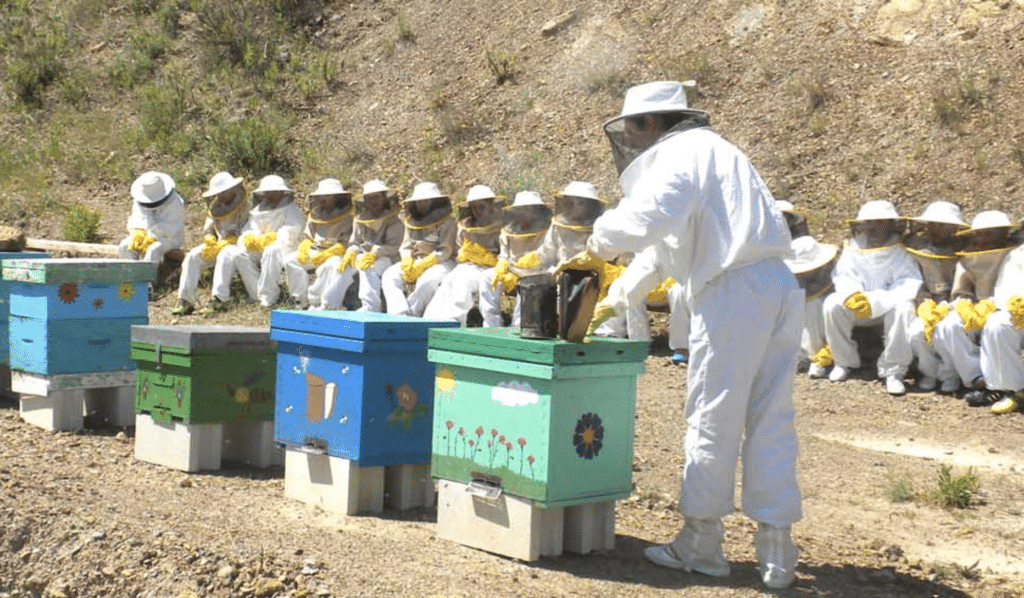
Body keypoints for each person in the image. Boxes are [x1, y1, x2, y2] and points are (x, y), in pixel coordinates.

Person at [577, 80, 803, 590]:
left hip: (732, 292)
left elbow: (645, 221)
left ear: (653, 123)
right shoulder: (719, 153)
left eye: (634, 129)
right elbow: (665, 248)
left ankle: (701, 545)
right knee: (771, 414)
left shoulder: (682, 153)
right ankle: (777, 551)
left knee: (712, 414)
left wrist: (598, 242)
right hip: (778, 287)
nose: (631, 142)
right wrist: (618, 297)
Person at [822, 199, 921, 396]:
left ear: (890, 224)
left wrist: (875, 302)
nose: (873, 227)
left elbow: (907, 284)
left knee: (904, 307)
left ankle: (894, 371)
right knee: (831, 303)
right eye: (869, 222)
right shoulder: (853, 247)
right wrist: (853, 295)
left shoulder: (901, 250)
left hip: (888, 307)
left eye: (879, 222)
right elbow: (844, 276)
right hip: (859, 307)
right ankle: (844, 362)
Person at [948, 212, 1024, 411]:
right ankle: (1009, 388)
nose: (984, 238)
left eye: (990, 233)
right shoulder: (1017, 255)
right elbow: (1009, 287)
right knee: (997, 323)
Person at [903, 201, 967, 392]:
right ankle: (929, 373)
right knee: (916, 332)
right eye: (933, 224)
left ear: (954, 228)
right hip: (927, 302)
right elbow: (913, 279)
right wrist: (924, 302)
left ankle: (950, 375)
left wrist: (956, 303)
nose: (936, 229)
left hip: (957, 303)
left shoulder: (965, 251)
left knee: (947, 330)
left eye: (942, 225)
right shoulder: (917, 249)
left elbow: (969, 282)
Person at [319, 179, 404, 312]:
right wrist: (351, 251)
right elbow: (355, 241)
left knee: (368, 266)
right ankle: (329, 304)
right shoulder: (360, 220)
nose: (373, 201)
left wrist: (375, 253)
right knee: (343, 266)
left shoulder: (395, 223)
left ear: (384, 198)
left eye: (376, 197)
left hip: (388, 259)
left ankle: (370, 306)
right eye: (369, 198)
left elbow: (394, 247)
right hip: (364, 255)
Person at [172, 171, 250, 315]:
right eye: (217, 193)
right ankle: (185, 300)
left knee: (225, 255)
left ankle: (220, 299)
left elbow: (251, 232)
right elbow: (208, 229)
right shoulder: (216, 208)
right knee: (193, 255)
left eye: (222, 192)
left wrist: (233, 240)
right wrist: (210, 239)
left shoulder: (247, 206)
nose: (219, 196)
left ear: (231, 189)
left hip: (240, 248)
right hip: (219, 245)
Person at [424, 185, 503, 325]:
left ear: (491, 205)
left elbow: (506, 256)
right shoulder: (466, 226)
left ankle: (454, 323)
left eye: (481, 207)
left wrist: (489, 258)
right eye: (474, 207)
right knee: (448, 281)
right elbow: (459, 249)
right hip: (468, 266)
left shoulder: (501, 227)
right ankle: (430, 322)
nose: (477, 211)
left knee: (464, 285)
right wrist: (463, 254)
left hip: (489, 269)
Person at [380, 182, 457, 317]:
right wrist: (407, 260)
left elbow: (446, 250)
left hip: (441, 263)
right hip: (416, 259)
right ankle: (399, 313)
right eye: (419, 201)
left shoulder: (448, 222)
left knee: (426, 282)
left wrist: (424, 264)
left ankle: (412, 315)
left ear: (435, 201)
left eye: (426, 201)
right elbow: (406, 245)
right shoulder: (411, 221)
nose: (422, 204)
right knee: (389, 276)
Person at [234, 175, 306, 307]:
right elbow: (249, 228)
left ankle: (269, 296)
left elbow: (294, 229)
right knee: (240, 254)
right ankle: (256, 294)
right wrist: (249, 237)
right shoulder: (258, 210)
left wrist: (274, 237)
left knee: (271, 251)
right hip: (261, 245)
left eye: (273, 191)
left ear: (281, 192)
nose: (270, 195)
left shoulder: (291, 209)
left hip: (286, 247)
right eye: (267, 192)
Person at [282, 179, 353, 309]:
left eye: (327, 196)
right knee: (290, 260)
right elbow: (308, 237)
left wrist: (328, 253)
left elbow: (346, 243)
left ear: (337, 197)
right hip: (315, 250)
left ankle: (317, 300)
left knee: (331, 266)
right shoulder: (315, 214)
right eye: (321, 196)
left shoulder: (347, 218)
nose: (323, 199)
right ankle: (301, 300)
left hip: (335, 254)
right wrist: (304, 248)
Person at [486, 191, 552, 327]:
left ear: (537, 210)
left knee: (530, 285)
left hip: (537, 273)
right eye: (520, 209)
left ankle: (517, 327)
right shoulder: (509, 230)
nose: (523, 212)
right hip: (513, 269)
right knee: (486, 278)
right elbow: (504, 254)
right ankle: (490, 324)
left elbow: (549, 256)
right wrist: (502, 266)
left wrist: (533, 262)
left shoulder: (549, 231)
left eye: (527, 209)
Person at [784, 235, 839, 379]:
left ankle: (818, 358)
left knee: (814, 305)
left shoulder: (836, 272)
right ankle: (799, 355)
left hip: (830, 324)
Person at [118, 171, 186, 266]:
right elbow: (135, 219)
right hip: (145, 235)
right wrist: (138, 233)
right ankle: (131, 276)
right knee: (124, 246)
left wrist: (153, 236)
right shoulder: (140, 200)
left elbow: (173, 229)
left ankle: (147, 278)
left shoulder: (175, 203)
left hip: (168, 239)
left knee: (153, 250)